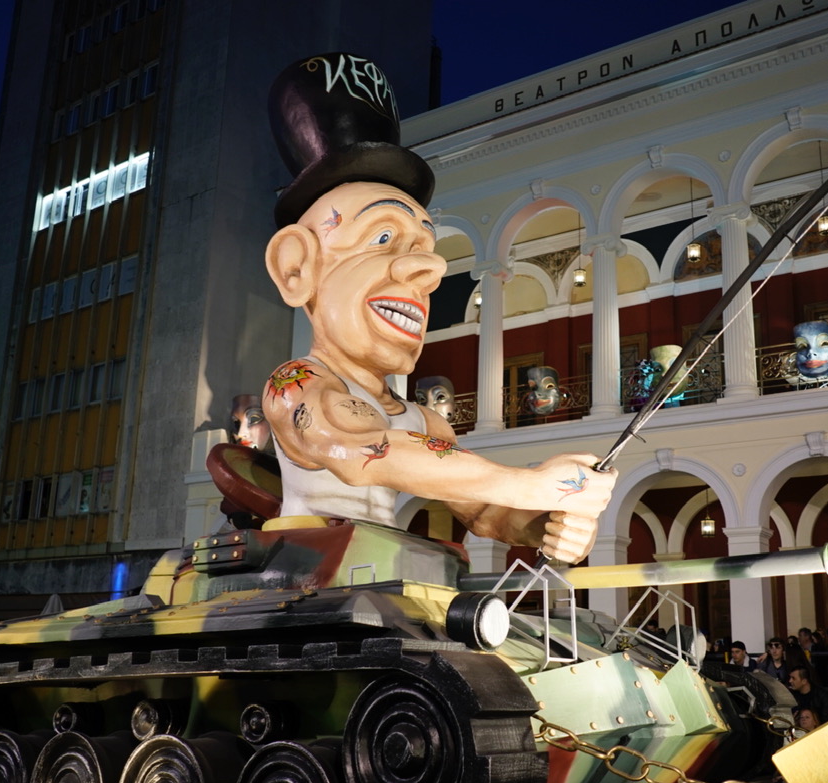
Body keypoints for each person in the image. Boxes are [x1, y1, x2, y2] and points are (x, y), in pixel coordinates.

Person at [261, 53, 616, 565]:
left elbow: (487, 513)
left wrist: (551, 524)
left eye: (426, 248)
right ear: (296, 268)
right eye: (383, 238)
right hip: (307, 574)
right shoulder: (295, 384)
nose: (430, 270)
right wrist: (534, 484)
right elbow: (363, 451)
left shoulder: (424, 422)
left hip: (380, 571)